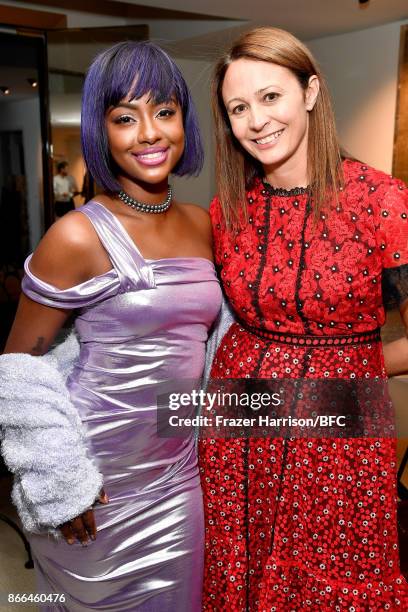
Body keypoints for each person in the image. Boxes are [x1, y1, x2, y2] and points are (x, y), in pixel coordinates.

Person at [3, 41, 221, 611]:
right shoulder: (76, 235)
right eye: (125, 117)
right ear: (102, 131)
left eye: (165, 112)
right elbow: (16, 370)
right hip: (94, 481)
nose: (150, 133)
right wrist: (58, 478)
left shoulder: (203, 224)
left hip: (179, 474)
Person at [199, 27, 408, 610]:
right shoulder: (229, 208)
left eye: (271, 97)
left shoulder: (381, 201)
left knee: (326, 583)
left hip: (337, 428)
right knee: (238, 567)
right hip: (238, 419)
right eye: (238, 108)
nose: (256, 121)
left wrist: (345, 381)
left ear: (310, 91)